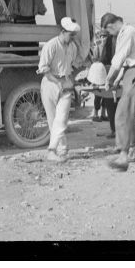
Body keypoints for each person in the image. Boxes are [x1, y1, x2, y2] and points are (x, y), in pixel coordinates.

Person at [102, 13, 135, 171]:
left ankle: (123, 156)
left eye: (109, 31)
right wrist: (117, 79)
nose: (110, 34)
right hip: (132, 71)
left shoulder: (127, 32)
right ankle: (130, 151)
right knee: (129, 112)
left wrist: (108, 79)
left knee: (122, 114)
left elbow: (118, 59)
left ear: (111, 25)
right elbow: (126, 61)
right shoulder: (126, 33)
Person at [37, 17, 85, 162]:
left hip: (65, 83)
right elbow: (44, 69)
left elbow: (74, 66)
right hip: (50, 83)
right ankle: (59, 150)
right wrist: (58, 82)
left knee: (62, 119)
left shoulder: (72, 47)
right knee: (53, 120)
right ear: (63, 31)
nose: (72, 38)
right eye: (70, 35)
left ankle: (57, 150)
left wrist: (74, 78)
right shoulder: (51, 45)